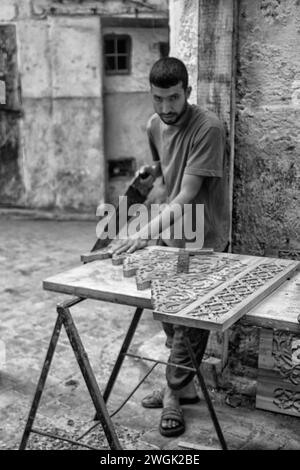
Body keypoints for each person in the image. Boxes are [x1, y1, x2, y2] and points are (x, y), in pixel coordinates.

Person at [111, 57, 229, 437]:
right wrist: (148, 177)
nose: (166, 109)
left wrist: (141, 233)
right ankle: (187, 389)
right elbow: (165, 169)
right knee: (167, 318)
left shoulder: (208, 127)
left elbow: (188, 192)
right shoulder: (153, 124)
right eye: (158, 99)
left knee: (189, 328)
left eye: (174, 98)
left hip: (203, 240)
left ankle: (173, 394)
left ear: (188, 93)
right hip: (169, 238)